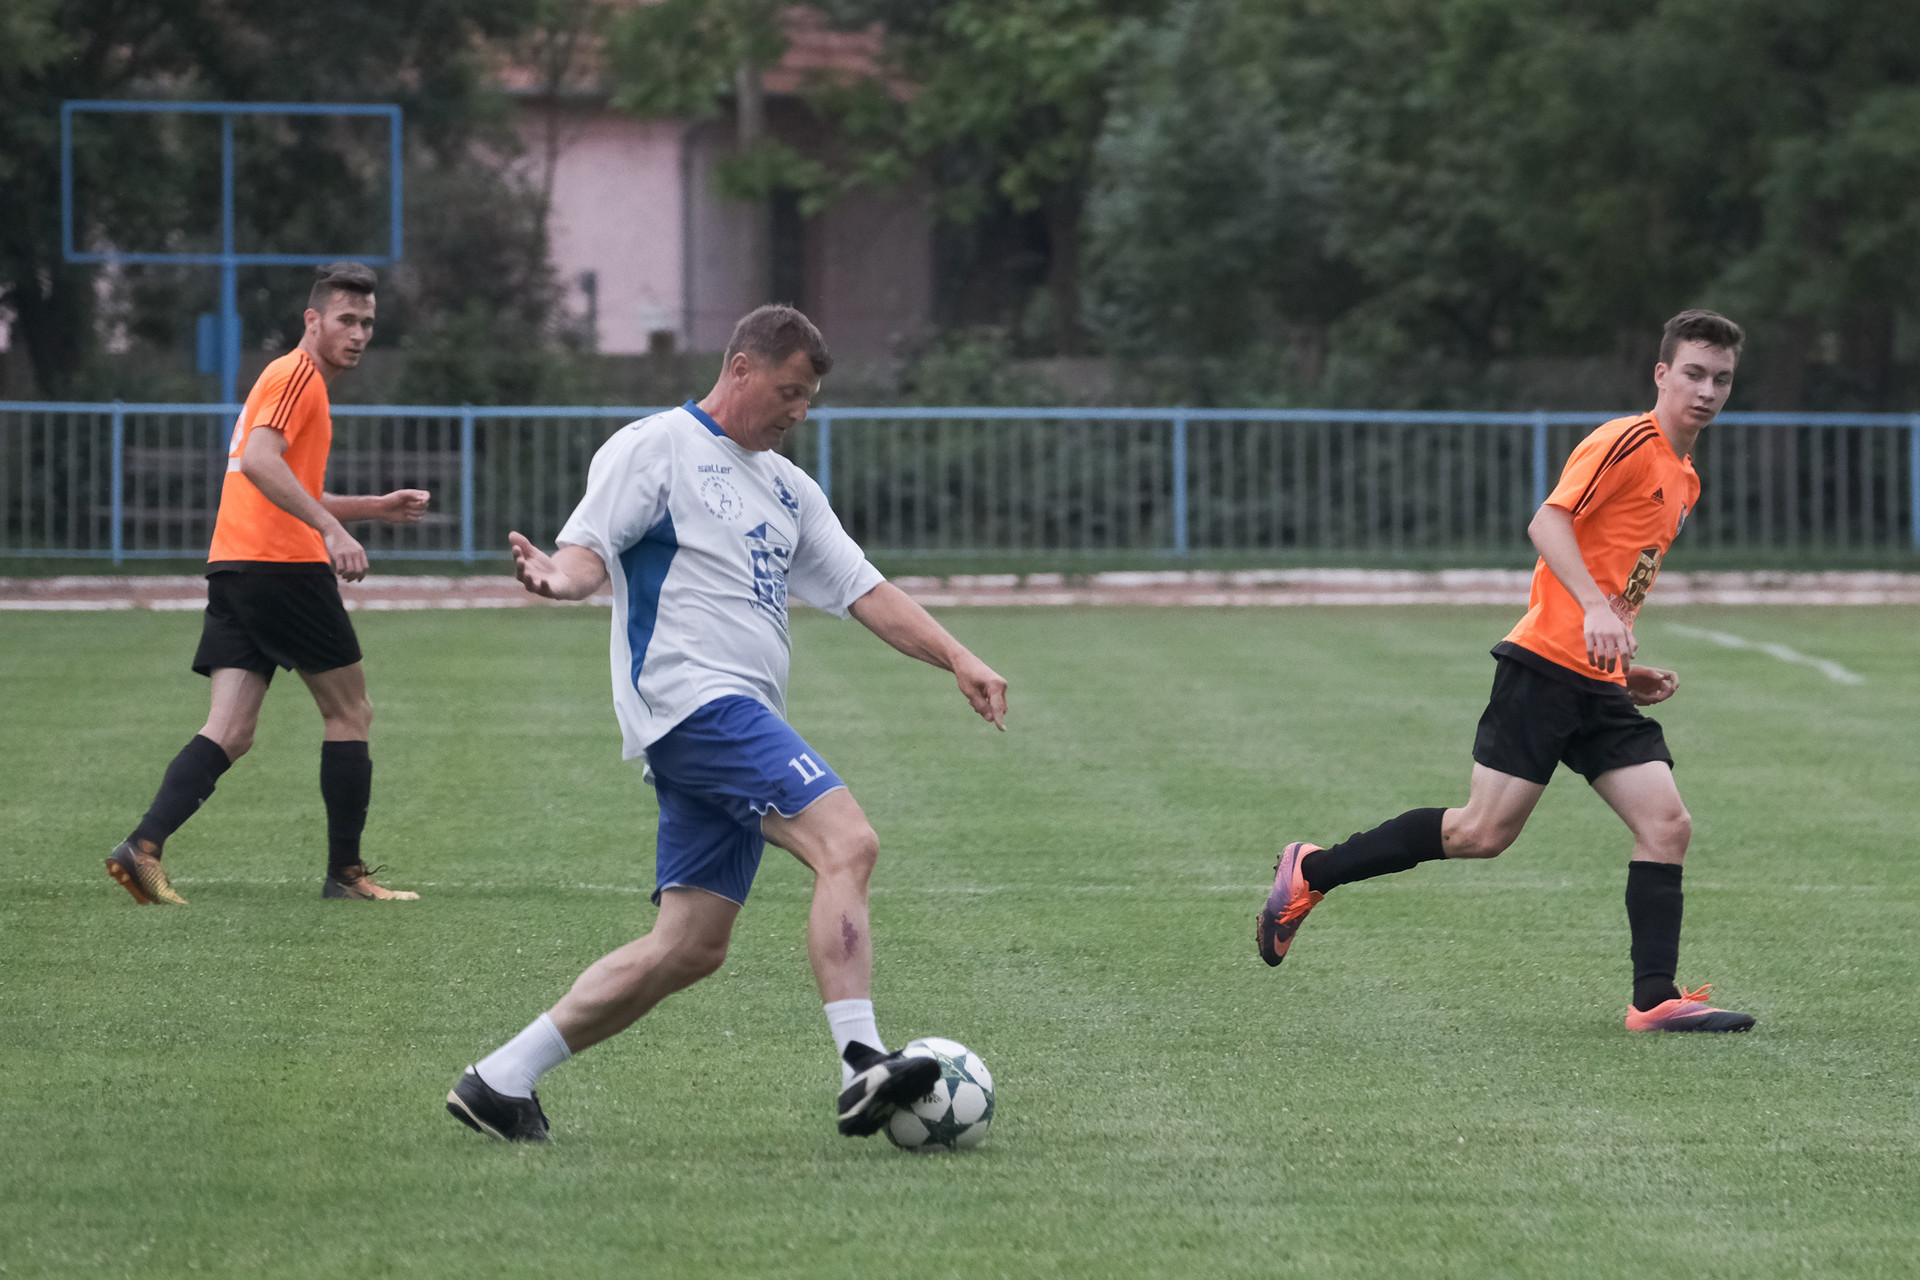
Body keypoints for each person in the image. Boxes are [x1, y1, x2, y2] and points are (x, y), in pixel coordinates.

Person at [446, 304, 1009, 1143]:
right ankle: (862, 1060)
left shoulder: (788, 488)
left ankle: (499, 1080)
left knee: (690, 945)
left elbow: (864, 589)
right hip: (695, 704)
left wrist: (957, 656)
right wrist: (560, 580)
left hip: (727, 719)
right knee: (848, 842)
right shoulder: (656, 447)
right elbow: (588, 548)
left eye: (809, 399)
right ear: (741, 368)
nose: (799, 412)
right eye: (789, 392)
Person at [1256, 309, 1755, 1034]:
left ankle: (1653, 1000)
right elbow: (1547, 523)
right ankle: (1312, 871)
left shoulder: (1684, 479)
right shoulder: (1627, 442)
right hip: (1544, 669)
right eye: (1694, 374)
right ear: (1662, 374)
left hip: (1598, 682)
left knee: (1666, 824)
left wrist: (1623, 665)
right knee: (1480, 834)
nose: (1707, 391)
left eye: (1722, 379)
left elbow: (1616, 577)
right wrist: (1593, 611)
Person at [104, 263, 430, 906]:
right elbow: (258, 461)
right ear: (312, 320)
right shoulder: (297, 374)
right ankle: (347, 875)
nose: (359, 334)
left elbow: (286, 483)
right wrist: (332, 533)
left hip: (237, 565)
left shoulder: (291, 380)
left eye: (367, 323)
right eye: (346, 320)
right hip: (282, 567)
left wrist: (374, 508)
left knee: (230, 730)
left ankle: (141, 848)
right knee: (350, 712)